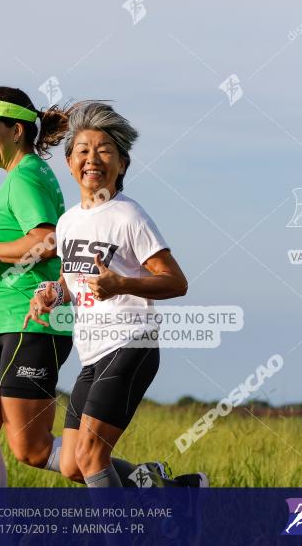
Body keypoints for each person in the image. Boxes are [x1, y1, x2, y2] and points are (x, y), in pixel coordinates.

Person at [24, 101, 206, 488]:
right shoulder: (69, 221)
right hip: (92, 353)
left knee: (92, 457)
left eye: (105, 150)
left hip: (130, 345)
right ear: (70, 161)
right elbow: (73, 282)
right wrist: (51, 292)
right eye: (83, 151)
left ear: (122, 164)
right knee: (74, 464)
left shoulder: (129, 216)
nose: (93, 159)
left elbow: (176, 281)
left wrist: (122, 284)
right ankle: (171, 492)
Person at [0, 87, 73, 486]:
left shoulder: (25, 176)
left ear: (16, 130)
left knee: (31, 449)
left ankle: (161, 487)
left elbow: (47, 240)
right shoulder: (16, 177)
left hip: (29, 321)